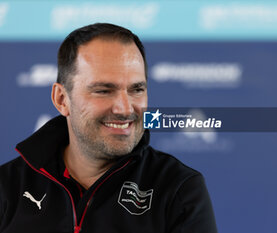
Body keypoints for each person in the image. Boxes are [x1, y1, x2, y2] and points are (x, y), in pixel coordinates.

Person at [0, 23, 217, 233]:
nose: (124, 108)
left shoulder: (178, 189)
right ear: (62, 99)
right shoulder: (7, 186)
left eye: (137, 89)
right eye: (104, 90)